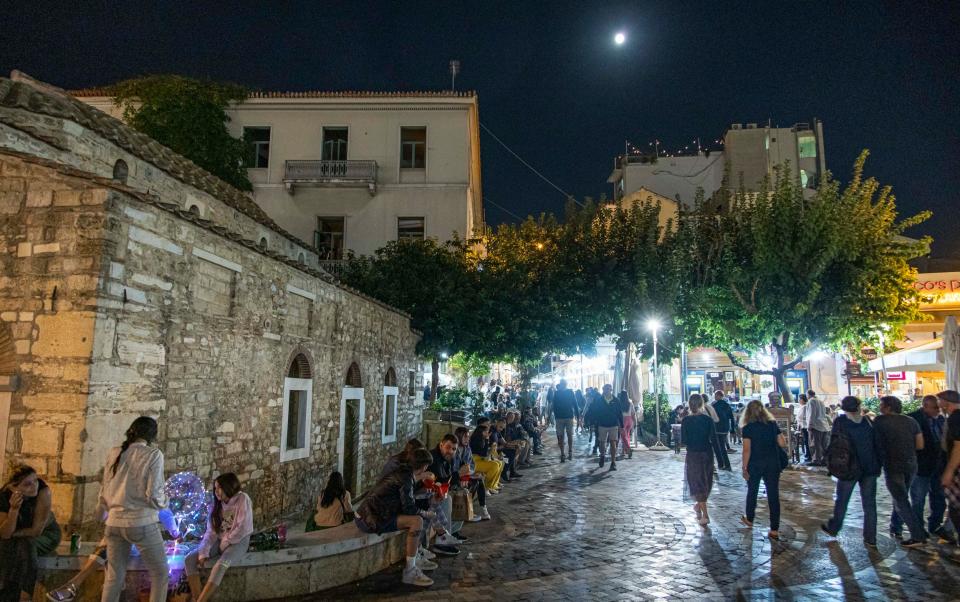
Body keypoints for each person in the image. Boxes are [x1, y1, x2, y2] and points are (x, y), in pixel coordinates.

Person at [97, 416, 170, 602]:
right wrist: (165, 502)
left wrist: (104, 511)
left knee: (113, 576)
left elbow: (105, 488)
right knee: (160, 573)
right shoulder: (153, 455)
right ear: (152, 435)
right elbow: (154, 495)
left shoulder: (115, 453)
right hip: (141, 522)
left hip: (113, 523)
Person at [45, 509, 179, 602]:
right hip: (116, 538)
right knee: (109, 557)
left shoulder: (139, 484)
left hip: (135, 540)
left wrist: (175, 532)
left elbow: (164, 512)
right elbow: (102, 514)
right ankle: (73, 585)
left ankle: (73, 585)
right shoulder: (122, 484)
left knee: (111, 567)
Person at [356, 448, 437, 586]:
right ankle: (410, 571)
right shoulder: (405, 477)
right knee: (417, 521)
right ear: (424, 467)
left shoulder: (404, 472)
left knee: (418, 517)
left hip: (370, 514)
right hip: (370, 519)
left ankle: (416, 556)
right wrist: (426, 513)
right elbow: (409, 508)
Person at [890, 395, 956, 543]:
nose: (938, 410)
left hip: (938, 466)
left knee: (938, 499)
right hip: (920, 467)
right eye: (935, 408)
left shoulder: (941, 419)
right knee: (917, 500)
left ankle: (935, 526)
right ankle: (916, 530)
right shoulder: (912, 419)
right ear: (925, 406)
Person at [821, 396, 882, 548]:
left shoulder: (840, 422)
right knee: (869, 504)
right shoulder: (867, 421)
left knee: (842, 500)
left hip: (849, 467)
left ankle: (834, 527)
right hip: (869, 467)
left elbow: (834, 444)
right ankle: (870, 537)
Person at [185, 473, 254, 602]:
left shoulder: (242, 499)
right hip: (221, 541)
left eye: (219, 488)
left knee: (221, 564)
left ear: (229, 486)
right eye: (215, 488)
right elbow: (211, 533)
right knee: (189, 560)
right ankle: (198, 598)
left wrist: (227, 541)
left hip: (239, 541)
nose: (216, 492)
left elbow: (243, 527)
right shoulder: (215, 505)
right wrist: (204, 551)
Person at [0, 465, 61, 602]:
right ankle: (7, 592)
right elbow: (4, 534)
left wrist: (12, 534)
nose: (34, 486)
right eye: (27, 484)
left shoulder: (43, 491)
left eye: (35, 480)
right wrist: (14, 510)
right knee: (10, 545)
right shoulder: (3, 496)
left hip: (46, 535)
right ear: (13, 488)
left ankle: (25, 595)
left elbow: (36, 530)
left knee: (25, 543)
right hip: (18, 537)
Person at [874, 395, 927, 547]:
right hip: (911, 464)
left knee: (901, 500)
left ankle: (918, 535)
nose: (880, 407)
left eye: (882, 405)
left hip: (893, 465)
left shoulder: (880, 421)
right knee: (901, 496)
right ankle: (895, 526)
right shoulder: (911, 421)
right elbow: (920, 445)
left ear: (888, 407)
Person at [739, 400, 788, 539]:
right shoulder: (772, 424)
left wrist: (744, 467)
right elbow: (782, 443)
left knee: (752, 491)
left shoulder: (748, 428)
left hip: (755, 463)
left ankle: (750, 518)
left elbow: (746, 450)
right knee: (773, 495)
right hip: (773, 463)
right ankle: (774, 529)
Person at [682, 394, 716, 526]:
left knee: (697, 482)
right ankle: (699, 506)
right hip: (707, 453)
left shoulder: (686, 421)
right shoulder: (708, 420)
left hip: (694, 454)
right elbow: (714, 439)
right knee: (706, 481)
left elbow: (684, 440)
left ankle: (705, 515)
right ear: (702, 404)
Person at [452, 427, 490, 521]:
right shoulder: (453, 450)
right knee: (474, 483)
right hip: (454, 478)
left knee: (479, 479)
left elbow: (472, 465)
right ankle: (467, 511)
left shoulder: (467, 448)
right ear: (458, 437)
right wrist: (464, 474)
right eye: (465, 437)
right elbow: (452, 469)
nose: (467, 439)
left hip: (465, 476)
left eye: (468, 437)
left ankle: (483, 508)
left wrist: (471, 473)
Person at [938, 390, 960, 544]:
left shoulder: (955, 419)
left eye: (940, 401)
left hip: (957, 470)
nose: (938, 404)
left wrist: (949, 471)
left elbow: (958, 447)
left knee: (956, 509)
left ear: (946, 402)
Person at [594, 384, 623, 471]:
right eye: (605, 389)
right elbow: (596, 412)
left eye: (609, 389)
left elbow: (619, 413)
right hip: (602, 424)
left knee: (613, 442)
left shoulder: (616, 400)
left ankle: (613, 462)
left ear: (611, 390)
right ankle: (602, 455)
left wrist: (622, 425)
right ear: (603, 390)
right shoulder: (599, 400)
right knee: (602, 442)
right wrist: (595, 423)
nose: (607, 391)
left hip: (613, 424)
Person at [470, 423, 505, 493]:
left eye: (487, 431)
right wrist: (487, 440)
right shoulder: (476, 440)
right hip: (474, 463)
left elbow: (484, 453)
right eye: (485, 431)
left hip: (480, 460)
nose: (487, 433)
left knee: (500, 463)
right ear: (480, 432)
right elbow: (483, 454)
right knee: (494, 465)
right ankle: (486, 487)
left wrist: (491, 447)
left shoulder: (482, 439)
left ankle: (493, 485)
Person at [552, 379, 579, 462]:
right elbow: (575, 404)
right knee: (565, 436)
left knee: (565, 436)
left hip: (565, 417)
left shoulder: (564, 392)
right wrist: (578, 416)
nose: (563, 385)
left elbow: (575, 404)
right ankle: (565, 453)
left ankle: (565, 453)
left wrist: (578, 416)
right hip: (563, 417)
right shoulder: (558, 393)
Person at [806, 389, 831, 466]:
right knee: (824, 445)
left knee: (815, 444)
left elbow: (811, 413)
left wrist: (810, 425)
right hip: (824, 425)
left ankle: (816, 460)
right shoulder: (820, 401)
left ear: (808, 395)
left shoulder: (811, 401)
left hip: (816, 425)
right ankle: (824, 460)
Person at [712, 391, 734, 471]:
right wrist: (732, 429)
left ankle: (725, 464)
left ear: (719, 396)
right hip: (725, 428)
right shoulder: (727, 405)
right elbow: (731, 417)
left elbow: (713, 418)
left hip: (717, 428)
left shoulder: (714, 405)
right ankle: (722, 464)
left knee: (720, 447)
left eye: (715, 395)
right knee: (721, 446)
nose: (715, 397)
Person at [618, 391, 636, 460]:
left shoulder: (619, 402)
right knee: (627, 436)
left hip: (623, 420)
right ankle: (624, 451)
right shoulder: (630, 402)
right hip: (629, 419)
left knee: (623, 436)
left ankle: (628, 449)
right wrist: (634, 422)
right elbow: (633, 413)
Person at [795, 394, 810, 463]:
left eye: (799, 399)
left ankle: (808, 455)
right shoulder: (803, 407)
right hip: (803, 426)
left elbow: (802, 417)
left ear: (802, 399)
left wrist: (798, 419)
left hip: (805, 426)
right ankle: (807, 454)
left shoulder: (805, 407)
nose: (798, 400)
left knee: (807, 441)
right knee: (806, 441)